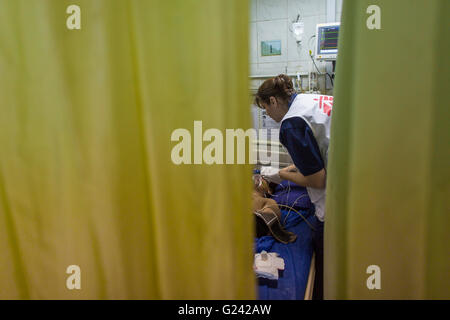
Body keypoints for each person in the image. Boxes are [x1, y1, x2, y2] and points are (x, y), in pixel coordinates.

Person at [254, 74, 333, 300]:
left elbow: (317, 179)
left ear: (273, 101)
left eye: (266, 109)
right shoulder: (310, 101)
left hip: (334, 200)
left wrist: (280, 174)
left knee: (324, 250)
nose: (267, 115)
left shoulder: (292, 123)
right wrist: (291, 170)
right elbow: (314, 155)